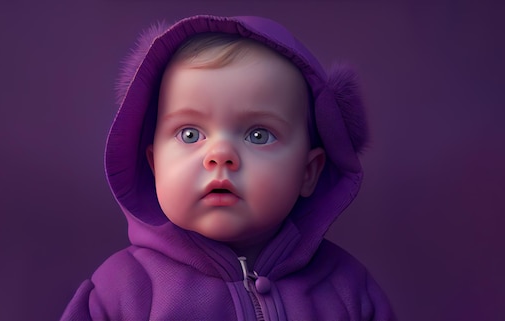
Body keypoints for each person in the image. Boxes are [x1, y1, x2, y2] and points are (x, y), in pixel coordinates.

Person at [61, 15, 395, 321]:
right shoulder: (120, 292)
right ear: (154, 165)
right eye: (190, 134)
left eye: (258, 134)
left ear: (309, 172)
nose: (220, 155)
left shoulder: (347, 290)